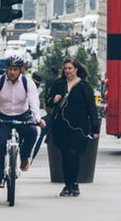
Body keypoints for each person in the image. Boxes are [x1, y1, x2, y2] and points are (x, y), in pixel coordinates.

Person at [0, 54, 45, 188]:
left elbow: (34, 101)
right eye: (10, 69)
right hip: (2, 115)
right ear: (6, 69)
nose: (12, 72)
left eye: (15, 69)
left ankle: (24, 157)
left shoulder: (27, 83)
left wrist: (38, 119)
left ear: (20, 69)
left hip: (22, 114)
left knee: (32, 132)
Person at [48, 58, 100, 197]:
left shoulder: (84, 85)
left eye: (70, 68)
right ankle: (67, 184)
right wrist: (54, 100)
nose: (67, 71)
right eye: (65, 68)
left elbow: (91, 108)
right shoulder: (58, 84)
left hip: (79, 126)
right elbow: (48, 101)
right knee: (65, 154)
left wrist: (95, 129)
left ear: (76, 69)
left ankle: (74, 183)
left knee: (74, 153)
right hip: (61, 125)